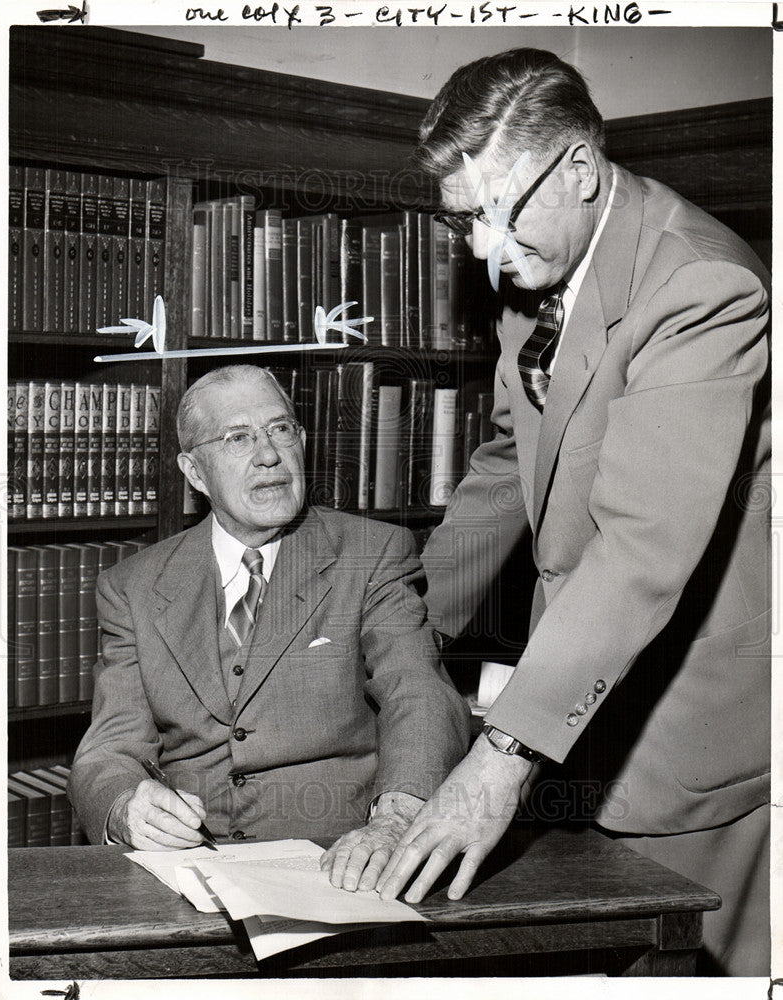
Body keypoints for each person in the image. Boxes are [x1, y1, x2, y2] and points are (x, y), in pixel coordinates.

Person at [377, 49, 770, 976]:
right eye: (460, 221)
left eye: (491, 214)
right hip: (572, 704)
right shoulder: (534, 271)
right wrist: (402, 618)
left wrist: (500, 754)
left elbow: (642, 548)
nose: (480, 251)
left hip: (685, 733)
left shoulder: (702, 286)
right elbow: (513, 464)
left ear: (582, 170)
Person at [69, 365, 469, 892]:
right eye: (238, 438)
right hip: (188, 873)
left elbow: (417, 694)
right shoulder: (134, 587)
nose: (268, 455)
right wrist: (125, 805)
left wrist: (395, 820)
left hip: (339, 867)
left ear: (301, 441)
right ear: (194, 471)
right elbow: (108, 750)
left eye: (281, 430)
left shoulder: (373, 554)